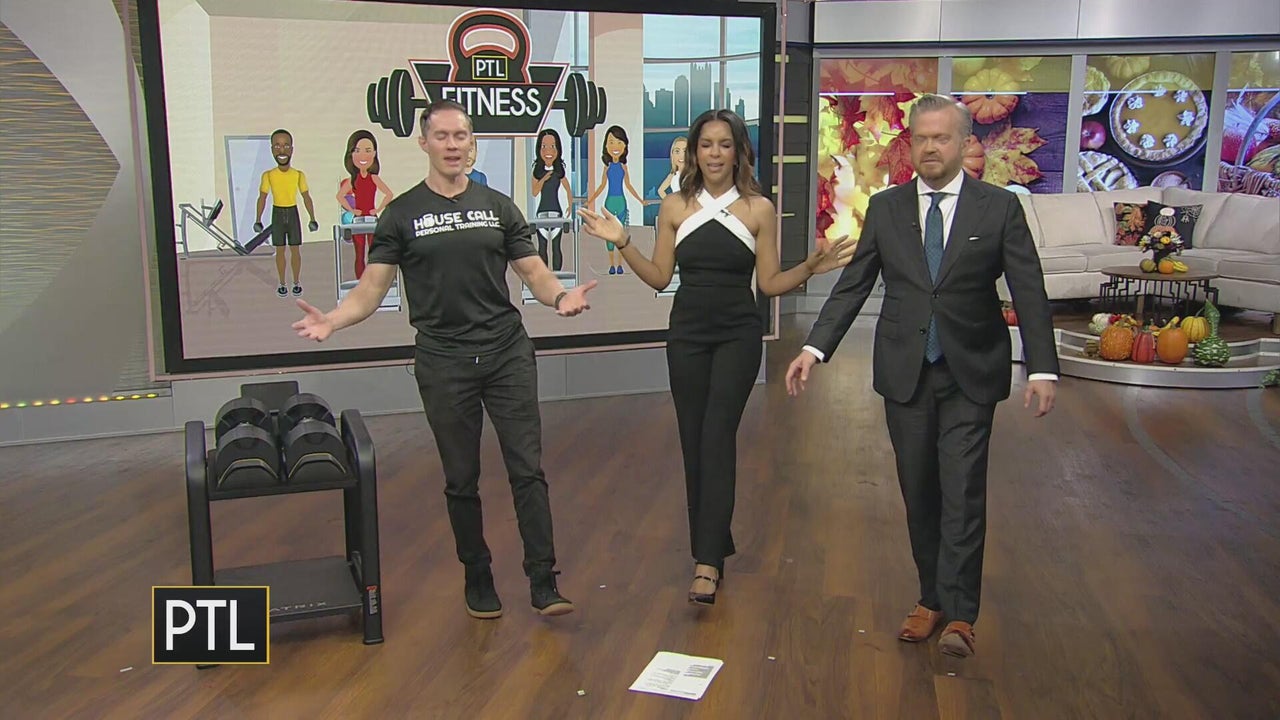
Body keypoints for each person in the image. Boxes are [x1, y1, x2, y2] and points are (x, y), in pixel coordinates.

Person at [293, 100, 597, 620]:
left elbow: (533, 271)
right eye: (443, 136)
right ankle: (477, 575)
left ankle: (543, 580)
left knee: (527, 469)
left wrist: (559, 297)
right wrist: (333, 320)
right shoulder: (401, 214)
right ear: (424, 143)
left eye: (461, 136)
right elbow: (372, 288)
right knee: (461, 478)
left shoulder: (499, 206)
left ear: (471, 143)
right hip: (443, 361)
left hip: (506, 354)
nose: (453, 145)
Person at [785, 94, 1059, 658]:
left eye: (941, 137)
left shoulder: (998, 208)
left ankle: (960, 615)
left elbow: (1028, 289)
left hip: (970, 370)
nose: (930, 147)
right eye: (922, 138)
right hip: (905, 371)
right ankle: (931, 597)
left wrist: (1042, 367)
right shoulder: (886, 208)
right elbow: (855, 284)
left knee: (962, 489)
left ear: (964, 143)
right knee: (919, 489)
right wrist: (814, 347)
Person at [578, 109, 852, 606]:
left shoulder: (758, 209)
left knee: (717, 436)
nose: (715, 153)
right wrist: (623, 242)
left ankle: (707, 562)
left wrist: (810, 267)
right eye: (706, 144)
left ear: (739, 151)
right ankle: (712, 540)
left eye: (725, 144)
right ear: (694, 151)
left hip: (737, 337)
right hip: (686, 336)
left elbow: (769, 284)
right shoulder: (674, 206)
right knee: (694, 441)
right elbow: (660, 276)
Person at [255, 129, 318, 297]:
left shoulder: (298, 175)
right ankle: (282, 283)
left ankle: (296, 283)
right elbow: (262, 197)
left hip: (292, 213)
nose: (281, 150)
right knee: (280, 250)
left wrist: (312, 218)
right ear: (272, 149)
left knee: (295, 250)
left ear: (292, 149)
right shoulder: (268, 175)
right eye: (277, 146)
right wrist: (258, 219)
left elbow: (306, 197)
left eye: (286, 146)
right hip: (277, 213)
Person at [585, 125, 645, 275]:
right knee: (609, 236)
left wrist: (640, 200)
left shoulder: (624, 167)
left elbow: (628, 186)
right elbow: (602, 186)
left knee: (621, 234)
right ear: (606, 146)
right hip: (610, 202)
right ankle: (612, 265)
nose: (615, 146)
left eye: (619, 142)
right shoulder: (607, 167)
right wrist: (590, 200)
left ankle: (620, 266)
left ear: (624, 146)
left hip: (621, 202)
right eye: (611, 142)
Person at [336, 129, 394, 279]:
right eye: (357, 151)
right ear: (351, 154)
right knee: (359, 253)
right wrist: (352, 210)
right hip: (358, 220)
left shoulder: (374, 178)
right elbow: (340, 196)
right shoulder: (352, 180)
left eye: (367, 151)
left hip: (372, 219)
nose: (362, 156)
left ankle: (375, 281)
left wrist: (378, 209)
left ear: (374, 153)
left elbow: (389, 194)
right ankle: (361, 282)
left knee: (374, 253)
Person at [531, 128, 572, 271]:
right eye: (544, 146)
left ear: (558, 149)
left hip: (556, 212)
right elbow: (534, 192)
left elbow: (568, 189)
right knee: (542, 247)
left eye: (552, 146)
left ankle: (557, 275)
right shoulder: (537, 171)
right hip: (541, 213)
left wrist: (570, 205)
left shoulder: (559, 171)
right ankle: (543, 275)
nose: (548, 151)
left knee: (556, 247)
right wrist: (543, 179)